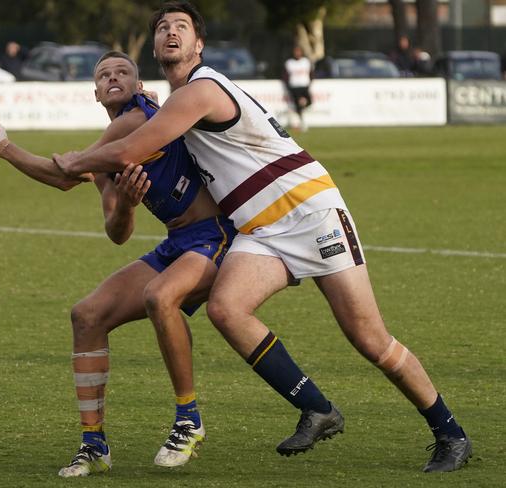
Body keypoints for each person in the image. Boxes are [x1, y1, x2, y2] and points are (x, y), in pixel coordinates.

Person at [52, 1, 472, 474]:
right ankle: (317, 408)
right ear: (153, 46)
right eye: (163, 28)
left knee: (369, 338)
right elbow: (130, 157)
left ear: (199, 44)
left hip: (311, 212)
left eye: (181, 27)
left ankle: (450, 432)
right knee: (225, 309)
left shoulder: (201, 89)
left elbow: (131, 147)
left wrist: (72, 163)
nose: (171, 32)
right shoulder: (171, 102)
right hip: (261, 228)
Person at [0, 50, 237, 477]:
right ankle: (93, 445)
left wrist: (2, 147)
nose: (113, 77)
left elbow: (62, 177)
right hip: (178, 242)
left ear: (137, 86)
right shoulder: (109, 154)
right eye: (104, 74)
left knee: (159, 296)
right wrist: (128, 205)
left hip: (216, 235)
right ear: (95, 93)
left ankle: (189, 419)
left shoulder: (136, 119)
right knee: (87, 315)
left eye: (123, 72)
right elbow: (117, 232)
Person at [283, 45, 312, 131]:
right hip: (294, 86)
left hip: (304, 85)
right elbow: (285, 75)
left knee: (309, 102)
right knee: (297, 105)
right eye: (296, 51)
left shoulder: (306, 61)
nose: (297, 53)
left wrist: (310, 82)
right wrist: (288, 86)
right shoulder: (289, 63)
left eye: (299, 51)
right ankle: (301, 122)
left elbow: (311, 73)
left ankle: (301, 112)